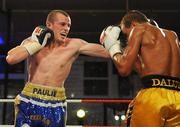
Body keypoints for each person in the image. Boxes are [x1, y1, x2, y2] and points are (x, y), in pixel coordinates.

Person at [6, 10, 110, 127]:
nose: (66, 28)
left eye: (69, 25)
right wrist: (37, 44)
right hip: (29, 99)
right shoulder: (32, 41)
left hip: (56, 104)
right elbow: (11, 58)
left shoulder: (74, 45)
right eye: (62, 24)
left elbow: (108, 53)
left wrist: (118, 42)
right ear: (49, 25)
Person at [100, 10, 180, 127]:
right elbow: (148, 71)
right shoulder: (173, 35)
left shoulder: (139, 29)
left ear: (133, 25)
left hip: (153, 98)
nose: (128, 38)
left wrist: (113, 47)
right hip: (177, 96)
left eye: (126, 34)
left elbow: (124, 69)